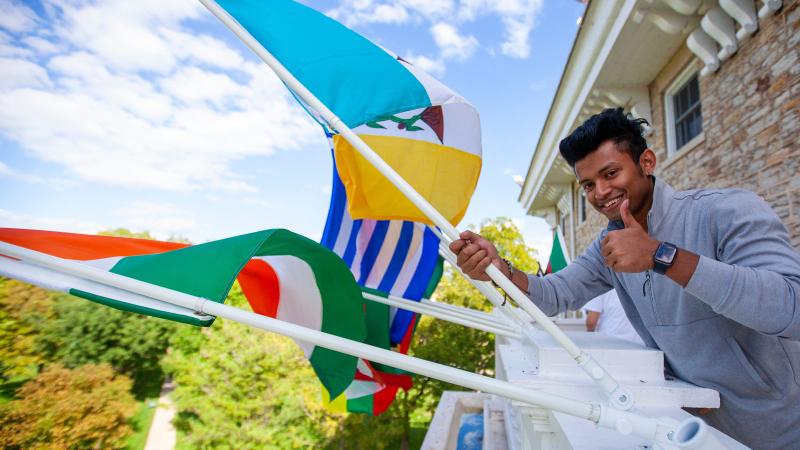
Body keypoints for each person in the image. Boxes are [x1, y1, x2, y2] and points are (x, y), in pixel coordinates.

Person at [449, 108, 800, 450]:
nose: (599, 192)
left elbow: (791, 306)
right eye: (588, 184)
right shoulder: (608, 245)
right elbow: (555, 295)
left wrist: (662, 256)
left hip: (779, 425)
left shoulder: (726, 210)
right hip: (694, 427)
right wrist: (501, 271)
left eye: (611, 173)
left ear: (646, 163)